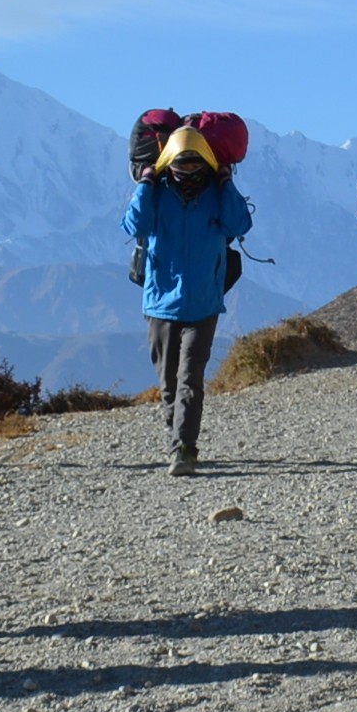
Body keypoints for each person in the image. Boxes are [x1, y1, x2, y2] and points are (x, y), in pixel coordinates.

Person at [124, 121, 252, 476]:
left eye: (196, 166)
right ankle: (176, 439)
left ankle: (185, 447)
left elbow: (239, 224)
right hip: (160, 302)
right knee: (168, 383)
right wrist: (145, 183)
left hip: (203, 304)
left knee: (190, 377)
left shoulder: (217, 194)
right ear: (170, 165)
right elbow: (136, 225)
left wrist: (226, 182)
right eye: (181, 166)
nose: (189, 173)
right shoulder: (158, 194)